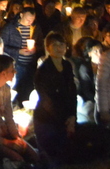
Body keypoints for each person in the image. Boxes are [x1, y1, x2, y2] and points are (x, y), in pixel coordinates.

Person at [33, 32, 77, 166]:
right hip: (47, 119)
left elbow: (72, 92)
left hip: (65, 118)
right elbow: (47, 99)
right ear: (48, 48)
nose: (59, 48)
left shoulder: (67, 66)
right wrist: (65, 119)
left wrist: (72, 116)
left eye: (62, 44)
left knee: (64, 156)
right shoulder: (44, 70)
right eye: (55, 45)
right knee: (50, 159)